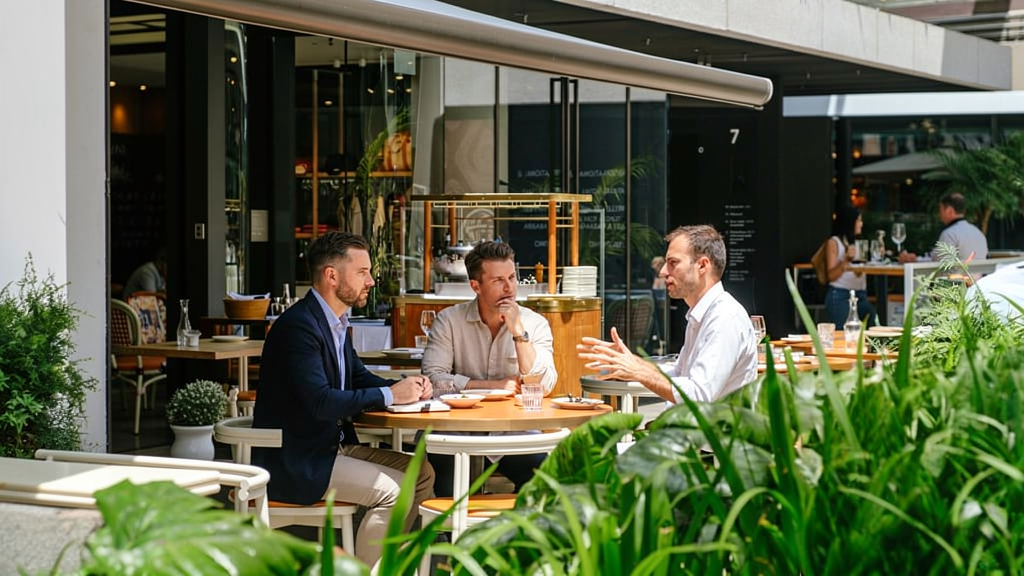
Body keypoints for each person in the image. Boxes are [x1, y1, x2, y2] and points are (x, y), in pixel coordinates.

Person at [251, 231, 434, 566]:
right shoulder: (298, 327)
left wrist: (407, 389)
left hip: (331, 448)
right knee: (394, 491)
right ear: (331, 276)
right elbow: (320, 401)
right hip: (298, 461)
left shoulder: (333, 322)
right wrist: (389, 394)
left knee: (421, 473)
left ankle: (389, 566)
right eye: (362, 272)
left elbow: (358, 377)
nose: (371, 281)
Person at [421, 241, 557, 496]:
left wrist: (519, 334)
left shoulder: (534, 323)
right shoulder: (449, 321)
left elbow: (544, 386)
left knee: (546, 487)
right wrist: (490, 387)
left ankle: (516, 524)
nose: (509, 288)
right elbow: (432, 380)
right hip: (457, 434)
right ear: (476, 286)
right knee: (450, 500)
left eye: (512, 278)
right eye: (498, 281)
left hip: (515, 434)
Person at [576, 224, 757, 404]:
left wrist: (637, 371)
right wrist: (631, 362)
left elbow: (699, 394)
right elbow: (679, 375)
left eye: (673, 263)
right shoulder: (703, 315)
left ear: (702, 265)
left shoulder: (724, 317)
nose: (663, 272)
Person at [823, 205, 877, 328]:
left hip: (860, 295)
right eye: (858, 220)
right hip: (841, 294)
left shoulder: (858, 242)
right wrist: (846, 260)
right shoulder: (834, 242)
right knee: (844, 333)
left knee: (871, 320)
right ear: (849, 222)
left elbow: (858, 272)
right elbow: (831, 276)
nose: (861, 224)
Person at [898, 192, 988, 263]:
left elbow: (938, 264)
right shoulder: (978, 233)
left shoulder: (950, 234)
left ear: (949, 211)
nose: (939, 214)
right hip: (977, 280)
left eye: (940, 209)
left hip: (954, 280)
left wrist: (915, 260)